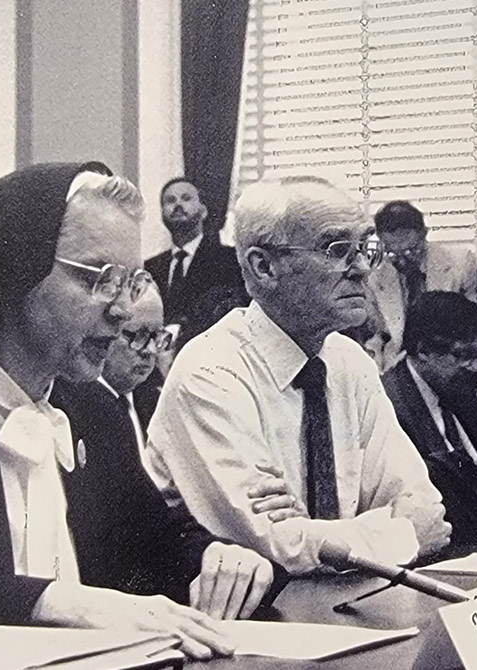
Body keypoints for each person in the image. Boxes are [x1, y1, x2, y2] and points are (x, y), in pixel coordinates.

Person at [0, 163, 233, 660]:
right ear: (18, 269)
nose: (122, 310)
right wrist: (49, 601)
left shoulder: (94, 411)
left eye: (128, 283)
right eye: (100, 279)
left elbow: (155, 542)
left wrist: (218, 559)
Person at [148, 176, 451, 574]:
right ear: (264, 267)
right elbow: (277, 547)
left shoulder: (348, 361)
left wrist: (314, 536)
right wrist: (401, 536)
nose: (362, 268)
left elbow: (423, 505)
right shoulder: (209, 373)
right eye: (337, 249)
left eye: (364, 248)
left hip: (345, 605)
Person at [51, 289, 281, 619]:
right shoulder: (96, 406)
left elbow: (154, 529)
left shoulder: (118, 406)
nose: (147, 352)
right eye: (136, 336)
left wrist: (220, 556)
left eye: (157, 338)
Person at [381, 291, 477, 544]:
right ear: (424, 351)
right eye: (462, 355)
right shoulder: (389, 405)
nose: (473, 367)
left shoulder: (458, 387)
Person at [370, 200, 477, 369]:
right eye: (392, 252)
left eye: (410, 250)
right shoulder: (375, 276)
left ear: (424, 235)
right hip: (399, 362)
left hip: (450, 356)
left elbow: (476, 323)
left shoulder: (460, 263)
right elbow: (378, 333)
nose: (402, 260)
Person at [145, 177, 247, 335]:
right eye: (170, 200)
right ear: (162, 215)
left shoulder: (229, 260)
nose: (178, 205)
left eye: (186, 198)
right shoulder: (150, 268)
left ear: (204, 211)